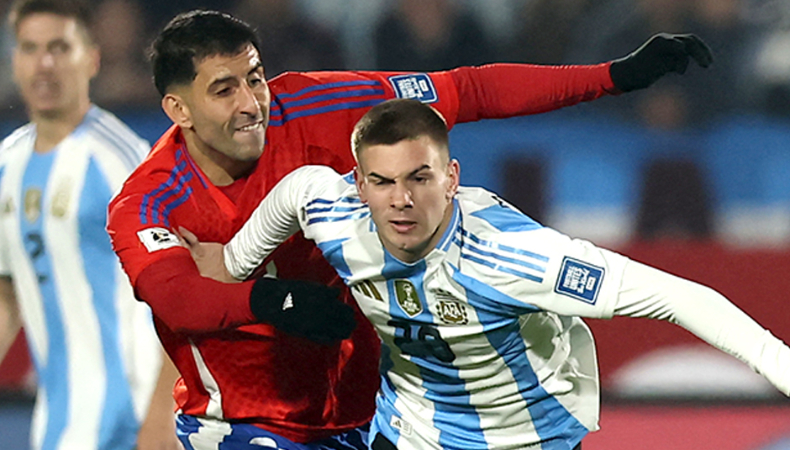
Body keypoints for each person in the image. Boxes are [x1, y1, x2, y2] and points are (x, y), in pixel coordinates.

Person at [106, 9, 713, 450]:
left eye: (255, 77)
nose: (251, 102)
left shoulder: (322, 105)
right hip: (246, 424)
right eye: (223, 89)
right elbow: (179, 299)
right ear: (178, 109)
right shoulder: (148, 200)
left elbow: (466, 90)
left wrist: (612, 76)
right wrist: (274, 300)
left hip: (372, 413)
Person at [189, 98, 790, 450]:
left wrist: (778, 364)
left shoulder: (514, 257)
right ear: (359, 182)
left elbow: (679, 296)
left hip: (525, 436)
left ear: (451, 177)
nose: (400, 200)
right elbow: (265, 229)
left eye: (419, 179)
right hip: (412, 432)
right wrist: (238, 274)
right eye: (382, 181)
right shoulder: (327, 206)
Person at [0, 1, 182, 449]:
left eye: (60, 48)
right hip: (58, 425)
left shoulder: (122, 159)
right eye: (31, 48)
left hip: (132, 420)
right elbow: (7, 290)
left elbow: (181, 295)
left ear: (91, 58)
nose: (45, 63)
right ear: (15, 60)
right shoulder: (8, 163)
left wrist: (161, 417)